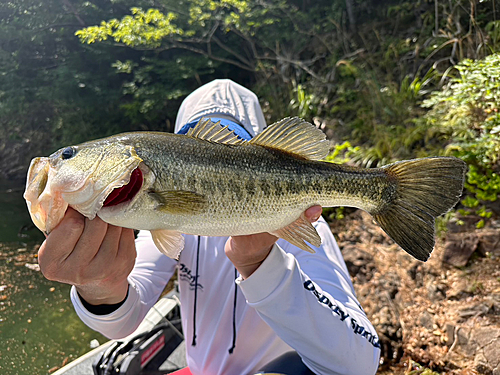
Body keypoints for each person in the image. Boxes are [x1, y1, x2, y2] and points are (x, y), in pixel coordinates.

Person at [38, 79, 381, 374]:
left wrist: (261, 265)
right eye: (198, 146)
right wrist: (101, 287)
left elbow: (361, 361)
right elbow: (122, 320)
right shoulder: (155, 220)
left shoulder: (305, 223)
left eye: (231, 143)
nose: (213, 154)